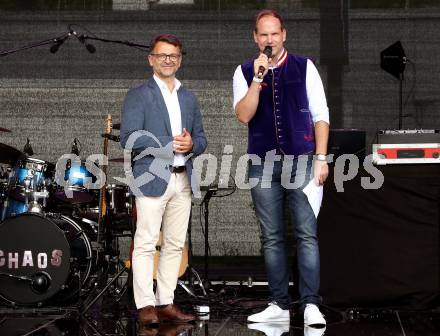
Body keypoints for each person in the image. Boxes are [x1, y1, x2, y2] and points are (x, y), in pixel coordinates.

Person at [233, 9, 329, 326]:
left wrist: (321, 158)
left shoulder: (305, 67)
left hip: (302, 160)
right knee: (271, 237)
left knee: (306, 235)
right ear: (255, 37)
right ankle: (278, 304)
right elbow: (244, 115)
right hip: (262, 164)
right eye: (264, 34)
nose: (270, 39)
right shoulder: (245, 71)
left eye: (275, 33)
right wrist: (258, 80)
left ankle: (311, 304)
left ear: (283, 35)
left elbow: (321, 116)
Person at [120, 34, 207, 325]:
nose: (168, 60)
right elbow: (129, 137)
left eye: (174, 55)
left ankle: (165, 302)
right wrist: (169, 143)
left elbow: (202, 139)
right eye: (162, 55)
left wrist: (192, 144)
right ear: (151, 59)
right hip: (151, 176)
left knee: (174, 244)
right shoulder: (138, 95)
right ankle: (145, 305)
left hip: (183, 179)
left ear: (180, 60)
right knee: (145, 243)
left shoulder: (189, 97)